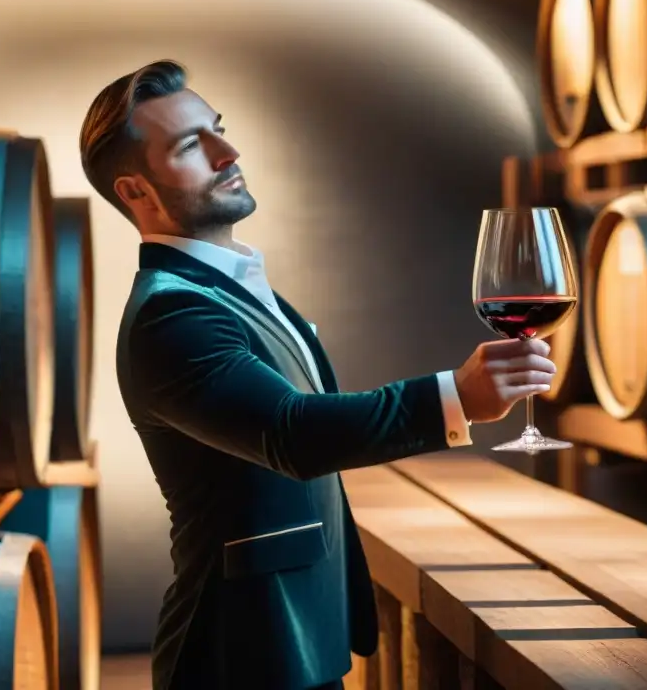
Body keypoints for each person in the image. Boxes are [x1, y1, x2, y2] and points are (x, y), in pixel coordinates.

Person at [78, 59, 556, 690]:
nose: (229, 151)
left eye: (218, 128)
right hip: (239, 651)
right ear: (135, 192)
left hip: (292, 635)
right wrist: (455, 398)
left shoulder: (227, 287)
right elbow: (291, 434)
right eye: (193, 145)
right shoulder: (171, 313)